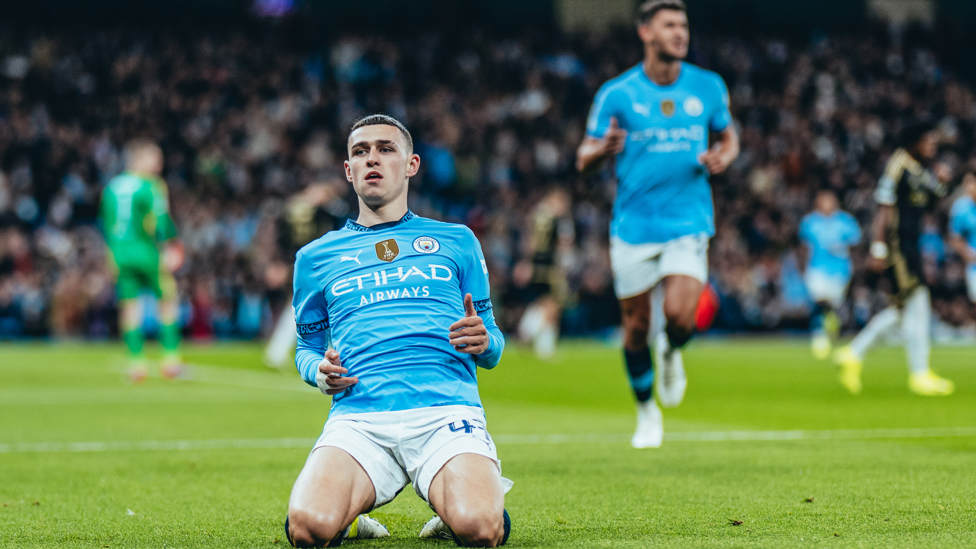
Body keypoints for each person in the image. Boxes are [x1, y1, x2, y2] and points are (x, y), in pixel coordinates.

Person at [286, 114, 512, 548]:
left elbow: (494, 345)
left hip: (445, 412)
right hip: (359, 419)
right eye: (360, 151)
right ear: (348, 171)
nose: (373, 158)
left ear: (411, 165)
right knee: (308, 529)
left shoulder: (457, 240)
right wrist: (318, 371)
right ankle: (350, 517)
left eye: (386, 149)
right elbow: (306, 347)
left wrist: (485, 341)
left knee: (481, 529)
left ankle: (456, 506)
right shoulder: (314, 258)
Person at [575, 0, 739, 448]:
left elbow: (728, 135)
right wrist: (602, 148)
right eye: (669, 25)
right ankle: (647, 411)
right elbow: (582, 158)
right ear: (646, 32)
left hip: (689, 220)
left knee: (679, 318)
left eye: (683, 25)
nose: (680, 33)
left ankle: (672, 349)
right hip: (633, 225)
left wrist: (725, 154)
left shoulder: (707, 86)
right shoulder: (617, 93)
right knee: (634, 329)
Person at [833, 122, 955, 396]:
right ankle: (920, 374)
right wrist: (878, 247)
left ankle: (853, 354)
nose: (932, 146)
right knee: (919, 304)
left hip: (912, 246)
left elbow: (929, 205)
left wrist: (942, 185)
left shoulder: (919, 169)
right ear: (914, 141)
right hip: (898, 248)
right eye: (928, 141)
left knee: (902, 312)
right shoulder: (898, 165)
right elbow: (884, 208)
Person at [99, 139, 184, 382]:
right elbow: (159, 219)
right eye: (154, 158)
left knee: (130, 307)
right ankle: (170, 361)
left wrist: (111, 253)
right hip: (147, 253)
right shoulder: (151, 185)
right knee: (167, 301)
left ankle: (136, 365)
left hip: (120, 254)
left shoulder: (112, 187)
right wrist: (173, 245)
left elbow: (106, 223)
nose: (159, 164)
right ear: (138, 160)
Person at [798, 189, 862, 359]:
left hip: (840, 270)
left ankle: (829, 325)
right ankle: (819, 335)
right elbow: (803, 247)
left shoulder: (846, 221)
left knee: (833, 304)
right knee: (819, 300)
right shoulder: (810, 222)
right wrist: (802, 269)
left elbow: (856, 245)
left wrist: (854, 268)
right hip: (817, 268)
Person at [515, 188, 574, 359]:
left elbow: (530, 241)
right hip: (550, 266)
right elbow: (565, 243)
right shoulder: (558, 219)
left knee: (544, 302)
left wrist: (526, 262)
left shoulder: (537, 215)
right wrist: (565, 265)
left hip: (536, 265)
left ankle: (541, 343)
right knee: (552, 305)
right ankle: (529, 333)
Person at [948, 172, 976, 305]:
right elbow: (955, 237)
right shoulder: (961, 207)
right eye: (966, 183)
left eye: (971, 182)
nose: (968, 187)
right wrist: (969, 255)